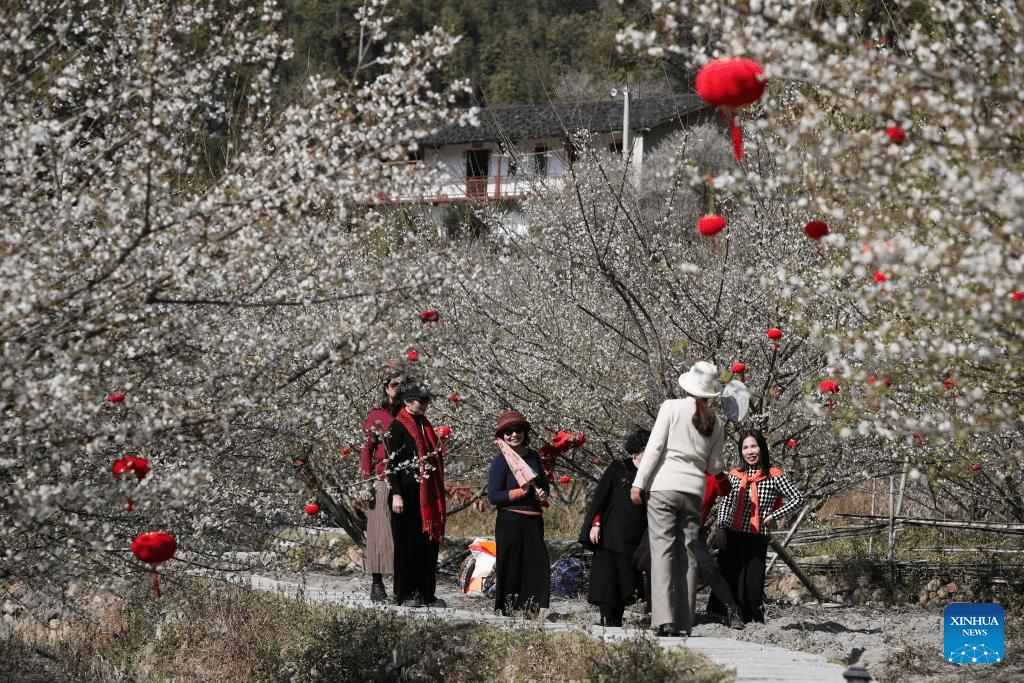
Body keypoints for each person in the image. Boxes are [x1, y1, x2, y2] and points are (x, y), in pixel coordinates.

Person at [630, 361, 727, 637]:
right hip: (694, 490)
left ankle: (665, 619)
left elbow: (655, 447)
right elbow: (716, 466)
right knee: (689, 552)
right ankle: (685, 620)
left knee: (662, 550)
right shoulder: (716, 422)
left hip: (664, 486)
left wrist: (639, 482)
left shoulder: (670, 407)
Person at [714, 428, 805, 624]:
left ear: (762, 448)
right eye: (745, 448)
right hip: (732, 534)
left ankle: (752, 618)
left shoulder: (774, 475)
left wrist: (775, 514)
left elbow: (798, 498)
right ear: (741, 451)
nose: (750, 452)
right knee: (731, 578)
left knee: (752, 583)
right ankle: (730, 617)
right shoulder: (735, 474)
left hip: (756, 536)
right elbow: (726, 503)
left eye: (754, 446)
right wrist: (720, 527)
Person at [383, 382, 447, 608]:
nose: (425, 404)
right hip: (407, 492)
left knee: (426, 545)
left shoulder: (425, 425)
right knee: (406, 544)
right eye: (421, 400)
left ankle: (426, 593)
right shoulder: (397, 427)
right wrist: (396, 494)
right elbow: (390, 464)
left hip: (425, 493)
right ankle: (404, 593)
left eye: (427, 401)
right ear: (408, 401)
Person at [578, 428, 650, 627]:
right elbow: (601, 497)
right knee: (607, 579)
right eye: (646, 449)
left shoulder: (651, 473)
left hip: (635, 538)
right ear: (637, 450)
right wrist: (596, 523)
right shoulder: (619, 467)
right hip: (610, 533)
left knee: (626, 581)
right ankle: (605, 619)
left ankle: (616, 620)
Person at [487, 410, 551, 616]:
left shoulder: (533, 457)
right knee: (511, 565)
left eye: (518, 431)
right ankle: (508, 608)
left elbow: (544, 484)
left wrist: (542, 492)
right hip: (510, 520)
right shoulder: (500, 461)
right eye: (508, 432)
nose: (514, 435)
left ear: (525, 433)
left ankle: (531, 607)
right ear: (502, 437)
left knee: (535, 566)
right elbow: (494, 496)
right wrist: (520, 492)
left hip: (533, 520)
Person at [359, 373, 402, 603]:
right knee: (378, 532)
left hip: (404, 480)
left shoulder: (409, 415)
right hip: (381, 479)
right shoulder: (377, 416)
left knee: (402, 534)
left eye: (402, 384)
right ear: (386, 388)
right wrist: (366, 483)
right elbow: (367, 449)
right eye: (394, 384)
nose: (398, 388)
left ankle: (401, 586)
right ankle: (377, 584)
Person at [697, 471, 746, 629]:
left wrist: (717, 468)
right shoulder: (676, 468)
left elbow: (725, 490)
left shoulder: (711, 477)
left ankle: (732, 610)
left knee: (709, 568)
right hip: (670, 529)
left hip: (694, 532)